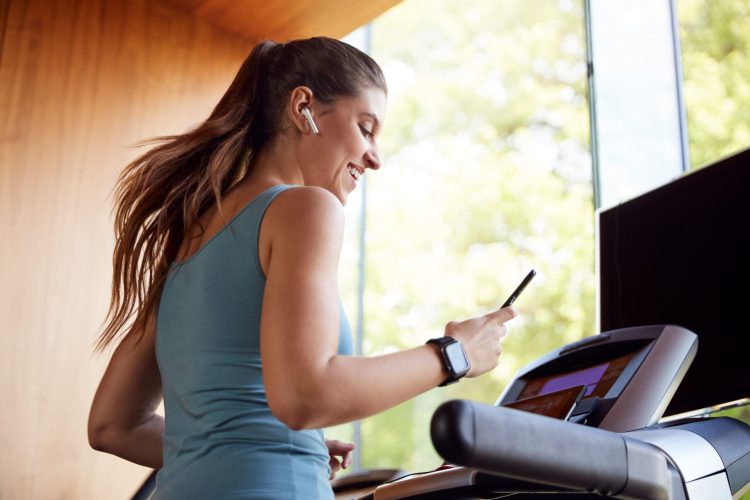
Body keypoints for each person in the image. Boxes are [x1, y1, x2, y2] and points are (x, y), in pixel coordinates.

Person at [87, 36, 517, 499]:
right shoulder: (306, 208)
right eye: (366, 127)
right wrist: (455, 353)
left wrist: (271, 446)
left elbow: (113, 424)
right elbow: (304, 396)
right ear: (303, 107)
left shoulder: (192, 232)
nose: (375, 157)